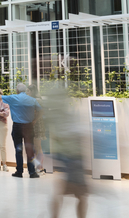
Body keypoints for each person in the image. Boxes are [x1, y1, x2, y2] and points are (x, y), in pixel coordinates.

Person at [48, 86, 89, 218]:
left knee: (76, 194)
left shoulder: (61, 116)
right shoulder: (60, 116)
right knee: (79, 194)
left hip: (71, 157)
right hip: (71, 157)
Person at [0, 83, 41, 178]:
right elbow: (40, 110)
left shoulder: (12, 98)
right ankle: (32, 172)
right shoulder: (32, 100)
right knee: (30, 150)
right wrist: (34, 120)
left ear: (17, 90)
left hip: (17, 127)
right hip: (29, 127)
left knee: (18, 150)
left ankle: (19, 172)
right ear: (25, 90)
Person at [28, 83, 47, 173]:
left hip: (37, 125)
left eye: (28, 91)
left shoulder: (37, 100)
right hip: (33, 125)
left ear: (32, 91)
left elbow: (41, 112)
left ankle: (40, 167)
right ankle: (38, 167)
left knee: (37, 147)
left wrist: (35, 120)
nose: (27, 92)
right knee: (35, 147)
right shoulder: (33, 99)